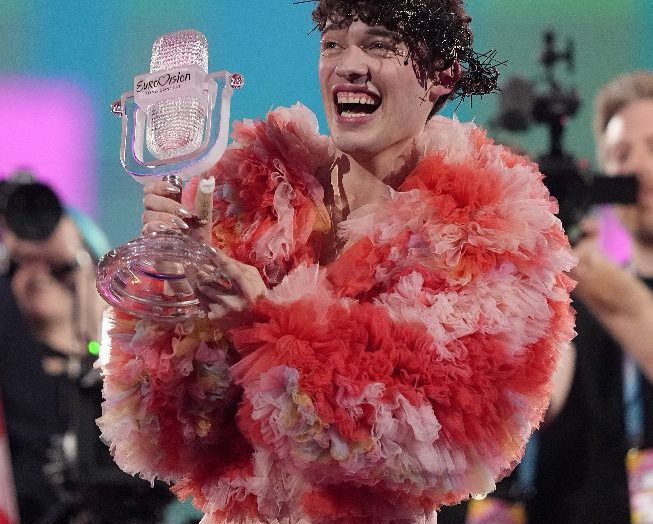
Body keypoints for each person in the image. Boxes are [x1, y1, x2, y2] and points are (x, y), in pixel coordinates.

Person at [97, 1, 576, 523]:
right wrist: (175, 298)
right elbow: (165, 437)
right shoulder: (253, 195)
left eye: (379, 45)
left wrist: (261, 324)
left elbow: (425, 443)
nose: (349, 65)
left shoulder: (488, 226)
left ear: (442, 76)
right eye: (332, 44)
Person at [0, 179, 171, 523]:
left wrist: (70, 244)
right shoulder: (13, 378)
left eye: (59, 268)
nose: (37, 271)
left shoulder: (130, 376)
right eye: (19, 266)